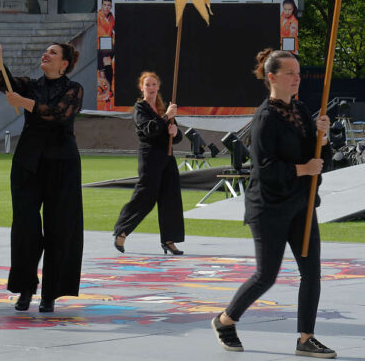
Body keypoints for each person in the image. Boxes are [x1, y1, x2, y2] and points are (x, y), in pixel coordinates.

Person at [212, 49, 336, 359]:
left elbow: (319, 160)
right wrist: (302, 169)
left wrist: (324, 136)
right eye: (290, 73)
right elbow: (265, 169)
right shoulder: (265, 117)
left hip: (301, 204)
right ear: (272, 77)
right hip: (268, 207)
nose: (297, 78)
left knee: (311, 273)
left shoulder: (302, 110)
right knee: (266, 275)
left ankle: (305, 338)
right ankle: (225, 321)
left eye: (298, 73)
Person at [0, 36, 83, 314]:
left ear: (64, 64)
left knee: (58, 228)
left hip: (62, 164)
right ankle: (26, 288)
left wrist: (25, 103)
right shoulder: (31, 84)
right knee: (25, 229)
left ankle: (50, 294)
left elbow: (59, 114)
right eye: (45, 51)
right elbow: (3, 81)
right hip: (28, 163)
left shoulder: (74, 89)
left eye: (52, 53)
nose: (46, 54)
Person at [112, 71, 185, 255]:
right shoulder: (140, 108)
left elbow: (174, 137)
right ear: (142, 88)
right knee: (145, 197)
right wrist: (166, 117)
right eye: (147, 85)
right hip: (150, 157)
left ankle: (169, 240)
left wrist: (175, 132)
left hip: (168, 158)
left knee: (171, 197)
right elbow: (149, 130)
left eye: (154, 84)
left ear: (158, 86)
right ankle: (122, 230)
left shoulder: (163, 108)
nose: (151, 88)